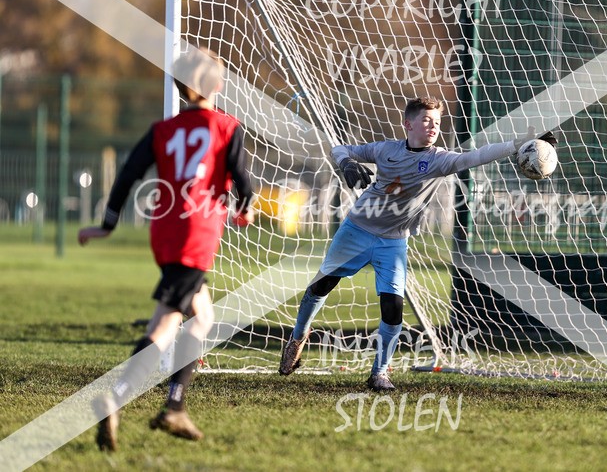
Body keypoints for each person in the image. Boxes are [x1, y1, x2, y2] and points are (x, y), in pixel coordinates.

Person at [279, 96, 555, 391]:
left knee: (393, 308)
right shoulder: (385, 150)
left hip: (393, 244)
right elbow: (340, 149)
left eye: (437, 122)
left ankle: (379, 373)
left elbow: (476, 156)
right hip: (356, 231)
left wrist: (517, 144)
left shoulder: (438, 160)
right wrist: (346, 163)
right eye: (426, 121)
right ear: (408, 124)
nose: (433, 126)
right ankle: (297, 338)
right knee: (320, 287)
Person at [79, 47, 254, 451]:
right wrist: (244, 209)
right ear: (215, 85)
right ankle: (117, 396)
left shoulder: (163, 130)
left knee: (201, 317)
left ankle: (175, 405)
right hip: (197, 234)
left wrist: (107, 224)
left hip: (165, 231)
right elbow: (242, 180)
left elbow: (128, 174)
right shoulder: (227, 127)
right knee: (164, 323)